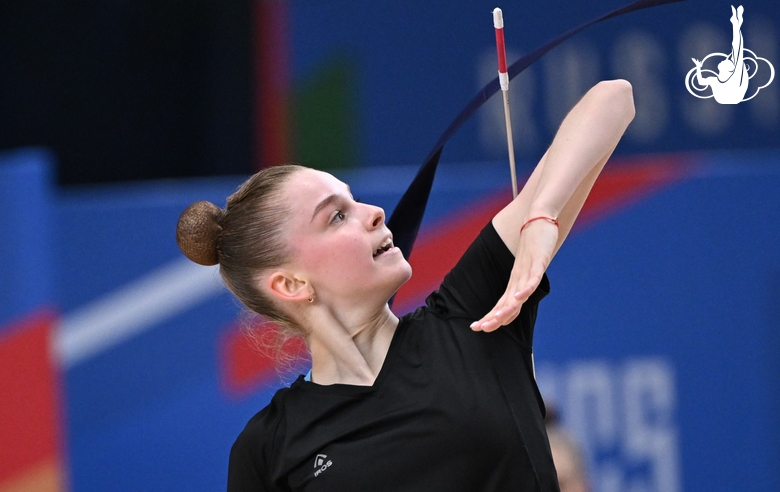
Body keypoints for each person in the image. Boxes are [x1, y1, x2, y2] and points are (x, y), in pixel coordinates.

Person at [176, 79, 635, 491]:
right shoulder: (268, 448)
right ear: (292, 284)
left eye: (355, 200)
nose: (373, 212)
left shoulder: (473, 316)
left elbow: (614, 100)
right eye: (337, 216)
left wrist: (541, 213)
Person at [692, 5, 748, 104]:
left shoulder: (734, 79)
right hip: (725, 100)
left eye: (728, 61)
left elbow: (737, 48)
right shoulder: (714, 80)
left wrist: (736, 25)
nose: (725, 59)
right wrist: (698, 67)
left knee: (737, 52)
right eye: (728, 60)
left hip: (733, 97)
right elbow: (701, 82)